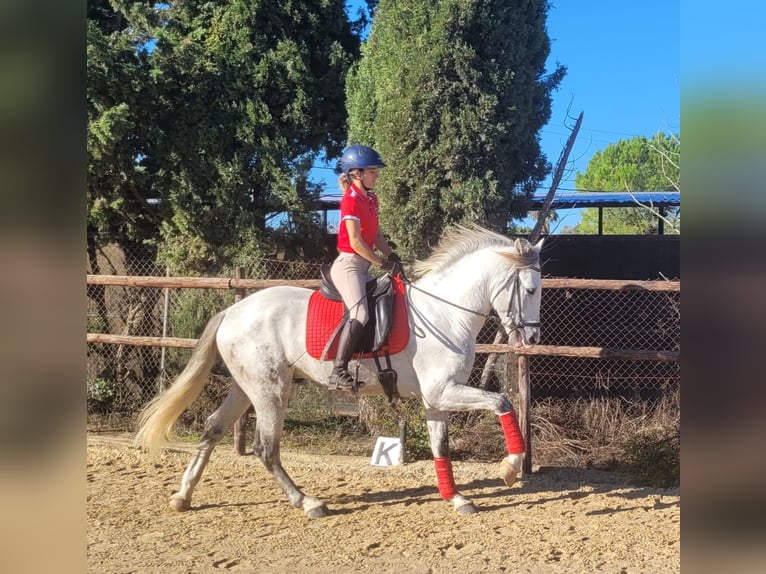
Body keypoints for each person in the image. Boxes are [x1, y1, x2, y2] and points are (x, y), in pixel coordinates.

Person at [328, 144, 401, 389]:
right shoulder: (350, 201)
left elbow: (376, 234)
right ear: (356, 173)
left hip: (364, 267)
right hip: (349, 265)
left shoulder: (371, 198)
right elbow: (357, 242)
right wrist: (382, 263)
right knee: (360, 314)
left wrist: (392, 255)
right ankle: (338, 370)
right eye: (372, 171)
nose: (376, 175)